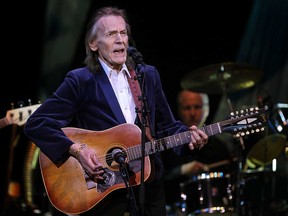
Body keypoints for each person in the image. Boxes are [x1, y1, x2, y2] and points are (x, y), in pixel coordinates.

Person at [23, 6, 208, 216]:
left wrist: (191, 141)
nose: (120, 39)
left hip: (149, 185)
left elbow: (167, 127)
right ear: (94, 44)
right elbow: (37, 123)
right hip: (103, 187)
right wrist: (77, 151)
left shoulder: (147, 75)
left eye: (123, 33)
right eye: (111, 34)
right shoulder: (81, 80)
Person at [162, 89, 237, 215]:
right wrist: (184, 169)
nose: (192, 113)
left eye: (197, 107)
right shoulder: (169, 143)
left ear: (206, 109)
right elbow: (161, 177)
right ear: (179, 110)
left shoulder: (219, 147)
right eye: (187, 108)